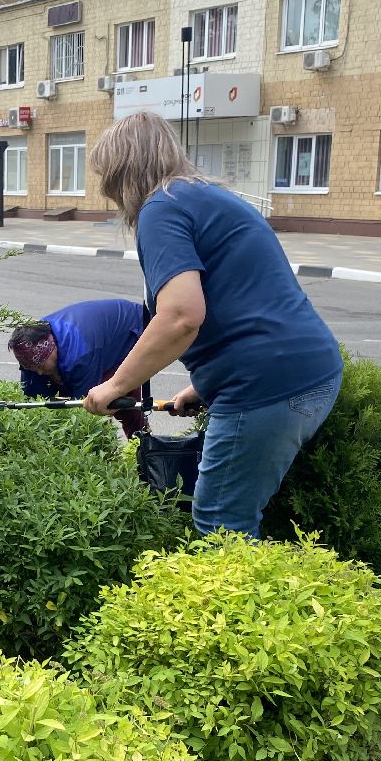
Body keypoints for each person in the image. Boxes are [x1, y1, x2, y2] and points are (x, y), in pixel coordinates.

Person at [84, 111, 343, 538]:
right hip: (307, 371)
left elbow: (181, 317)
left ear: (123, 172)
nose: (106, 191)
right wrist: (203, 386)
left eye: (107, 178)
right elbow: (242, 299)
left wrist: (114, 386)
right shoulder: (204, 197)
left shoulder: (160, 208)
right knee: (236, 512)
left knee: (222, 524)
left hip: (264, 386)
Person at [8, 299, 148, 438]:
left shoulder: (80, 355)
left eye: (41, 365)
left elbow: (85, 411)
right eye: (32, 368)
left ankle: (142, 447)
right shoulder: (31, 349)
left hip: (130, 330)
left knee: (108, 398)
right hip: (95, 336)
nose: (38, 372)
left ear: (52, 349)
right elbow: (34, 402)